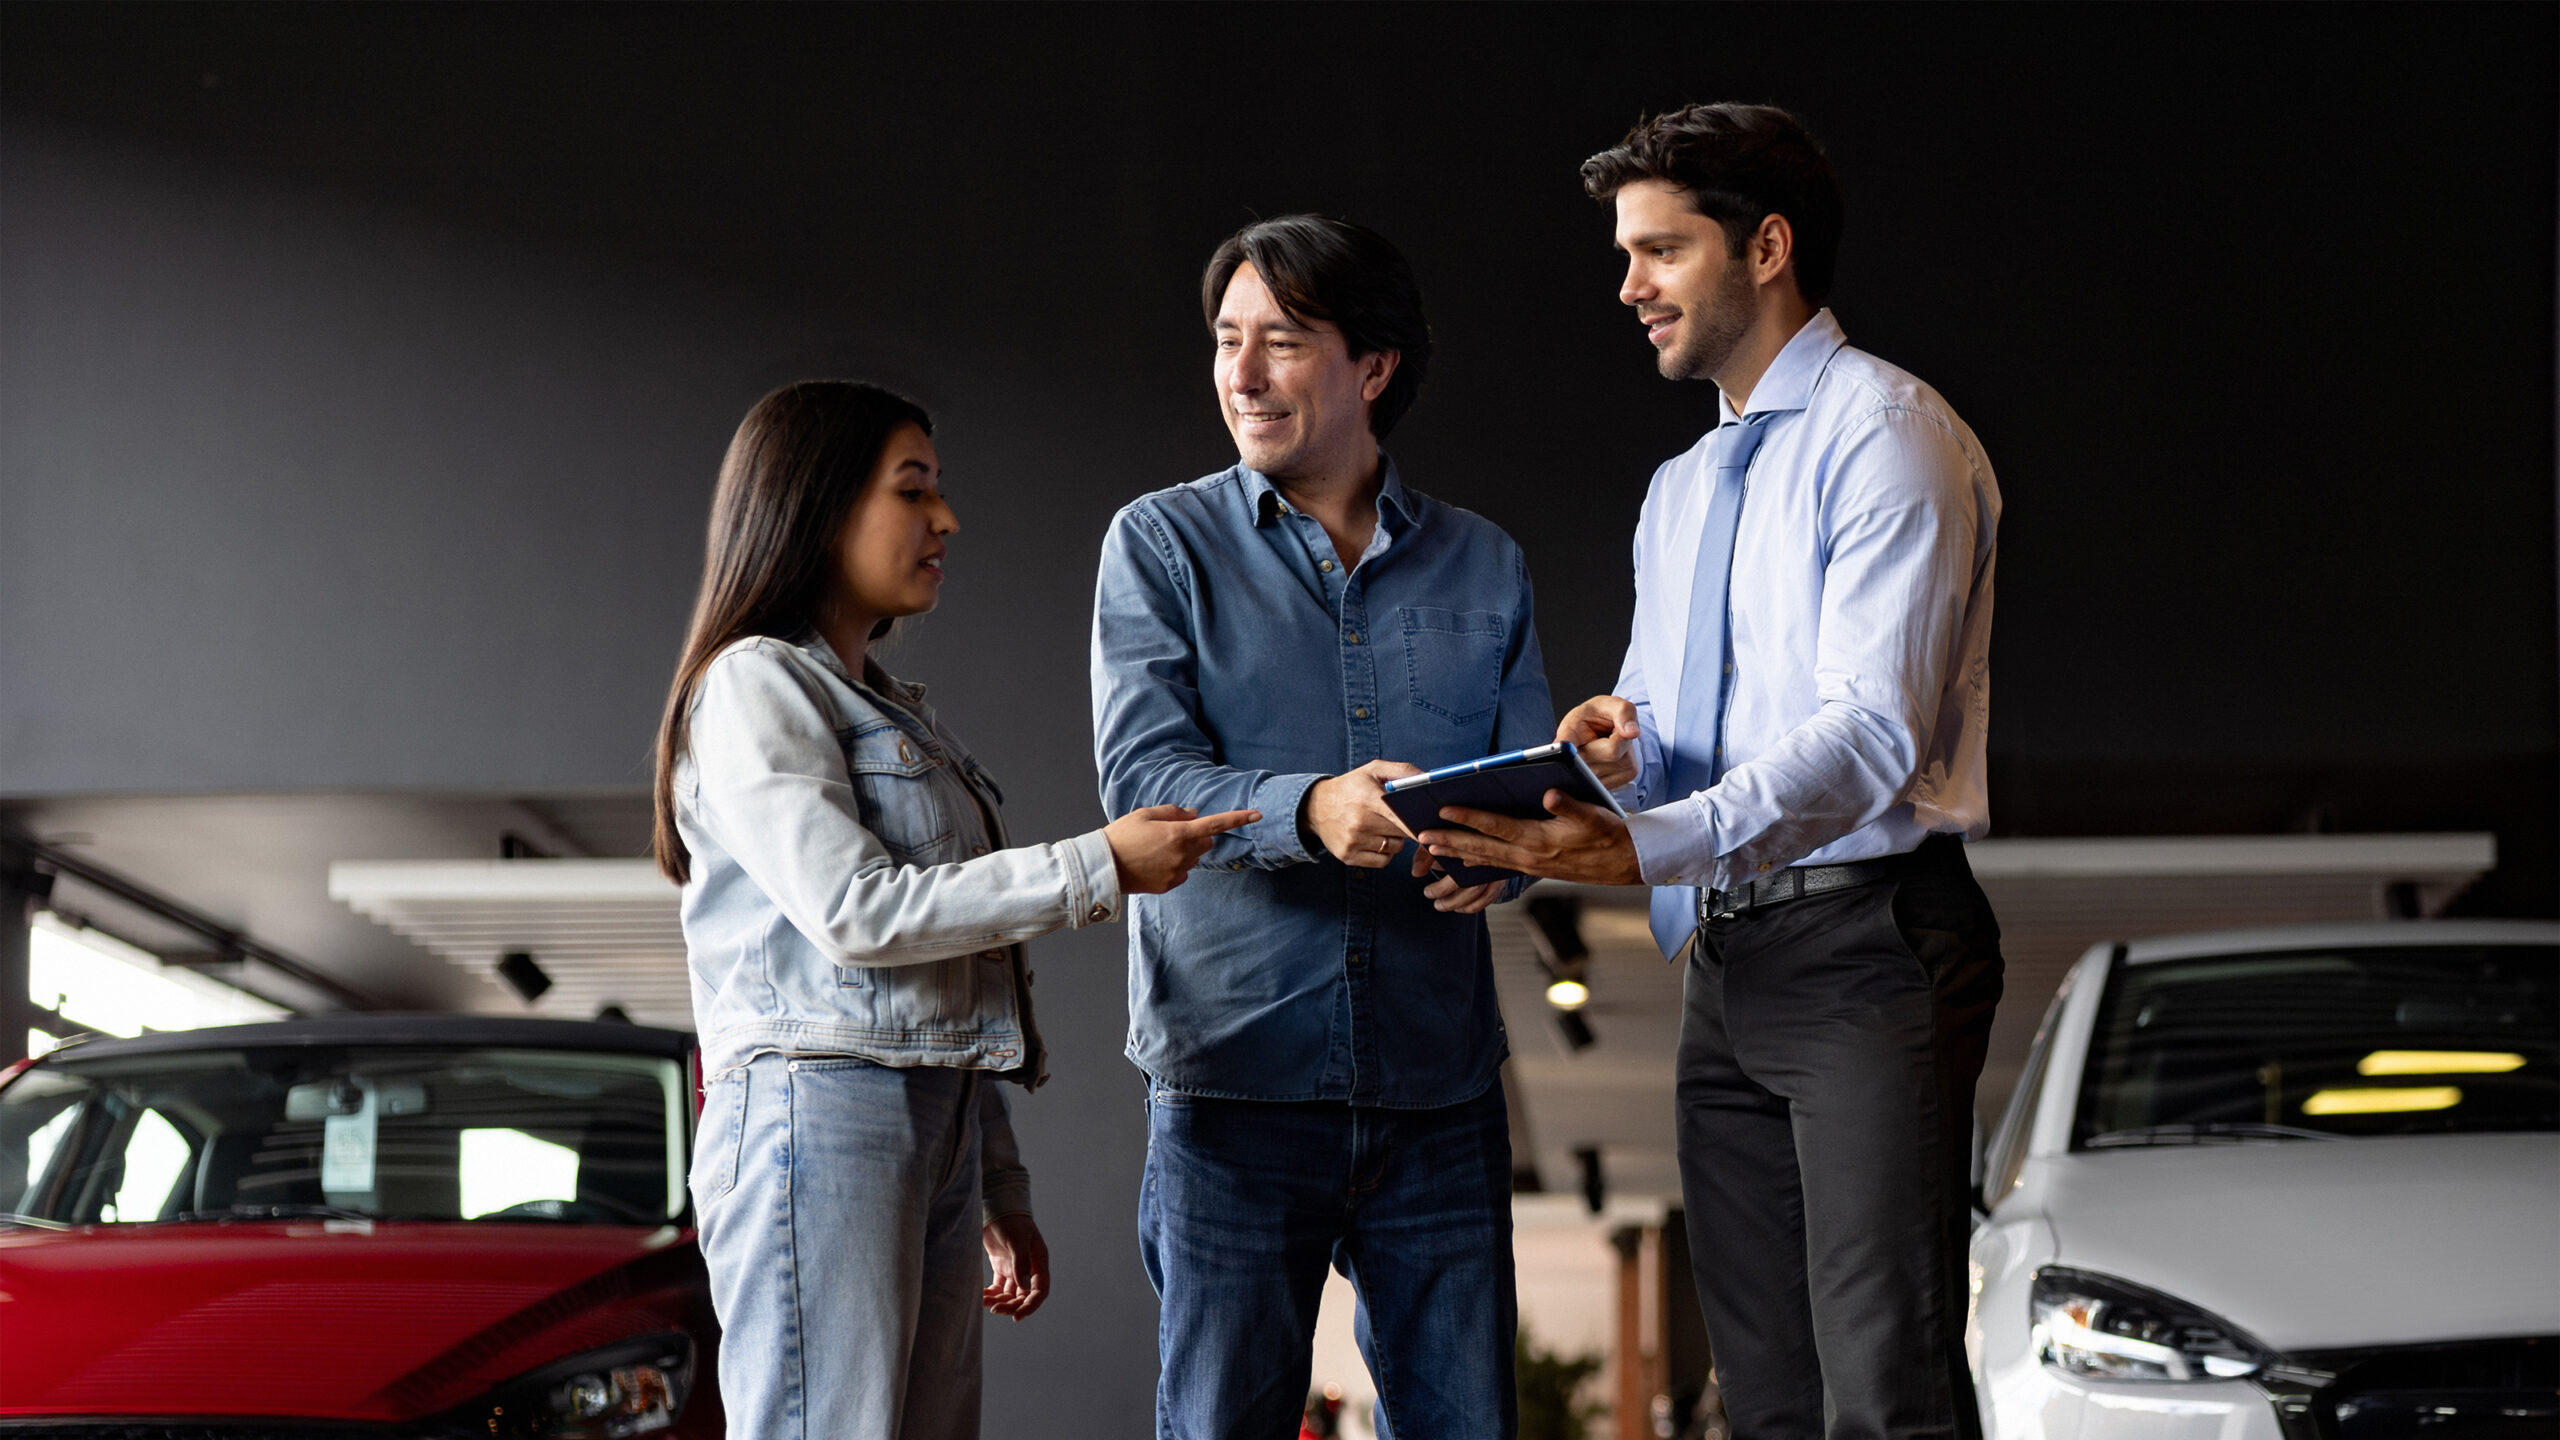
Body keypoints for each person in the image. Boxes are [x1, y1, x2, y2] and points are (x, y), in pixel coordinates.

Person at [1415, 105, 2006, 1440]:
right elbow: (1671, 750)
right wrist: (1596, 769)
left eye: (1659, 251)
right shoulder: (1681, 489)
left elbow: (1872, 738)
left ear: (1768, 249)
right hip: (1728, 969)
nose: (1626, 286)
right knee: (1770, 1398)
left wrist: (1642, 846)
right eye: (1626, 255)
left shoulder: (1891, 436)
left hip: (1870, 945)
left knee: (1886, 1382)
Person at [653, 381, 1255, 1440]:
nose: (946, 520)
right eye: (914, 489)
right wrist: (1098, 867)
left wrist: (994, 1183)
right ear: (817, 503)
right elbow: (859, 912)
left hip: (919, 1122)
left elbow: (938, 982)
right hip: (815, 1116)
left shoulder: (884, 707)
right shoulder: (755, 684)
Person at [1090, 215, 1553, 1439]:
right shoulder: (1160, 544)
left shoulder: (1485, 564)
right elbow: (1143, 772)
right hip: (1231, 1084)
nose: (1240, 373)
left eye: (1281, 342)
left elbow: (1527, 791)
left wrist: (1499, 860)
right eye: (1226, 340)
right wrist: (1308, 809)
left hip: (1436, 1088)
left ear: (1375, 368)